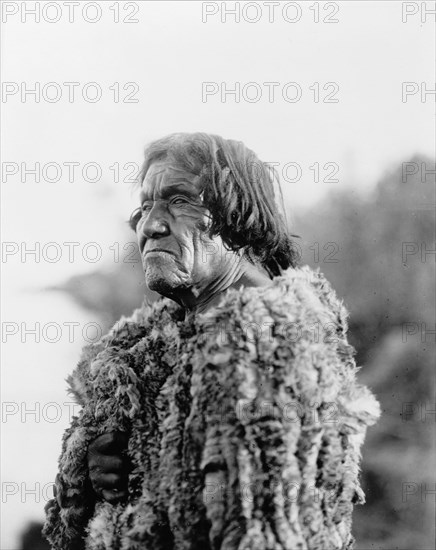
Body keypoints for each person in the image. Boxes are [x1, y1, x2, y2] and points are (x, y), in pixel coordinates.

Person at [44, 133, 380, 550]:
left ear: (237, 218)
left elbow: (270, 533)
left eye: (179, 201)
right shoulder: (152, 343)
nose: (150, 225)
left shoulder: (272, 340)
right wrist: (94, 471)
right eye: (145, 205)